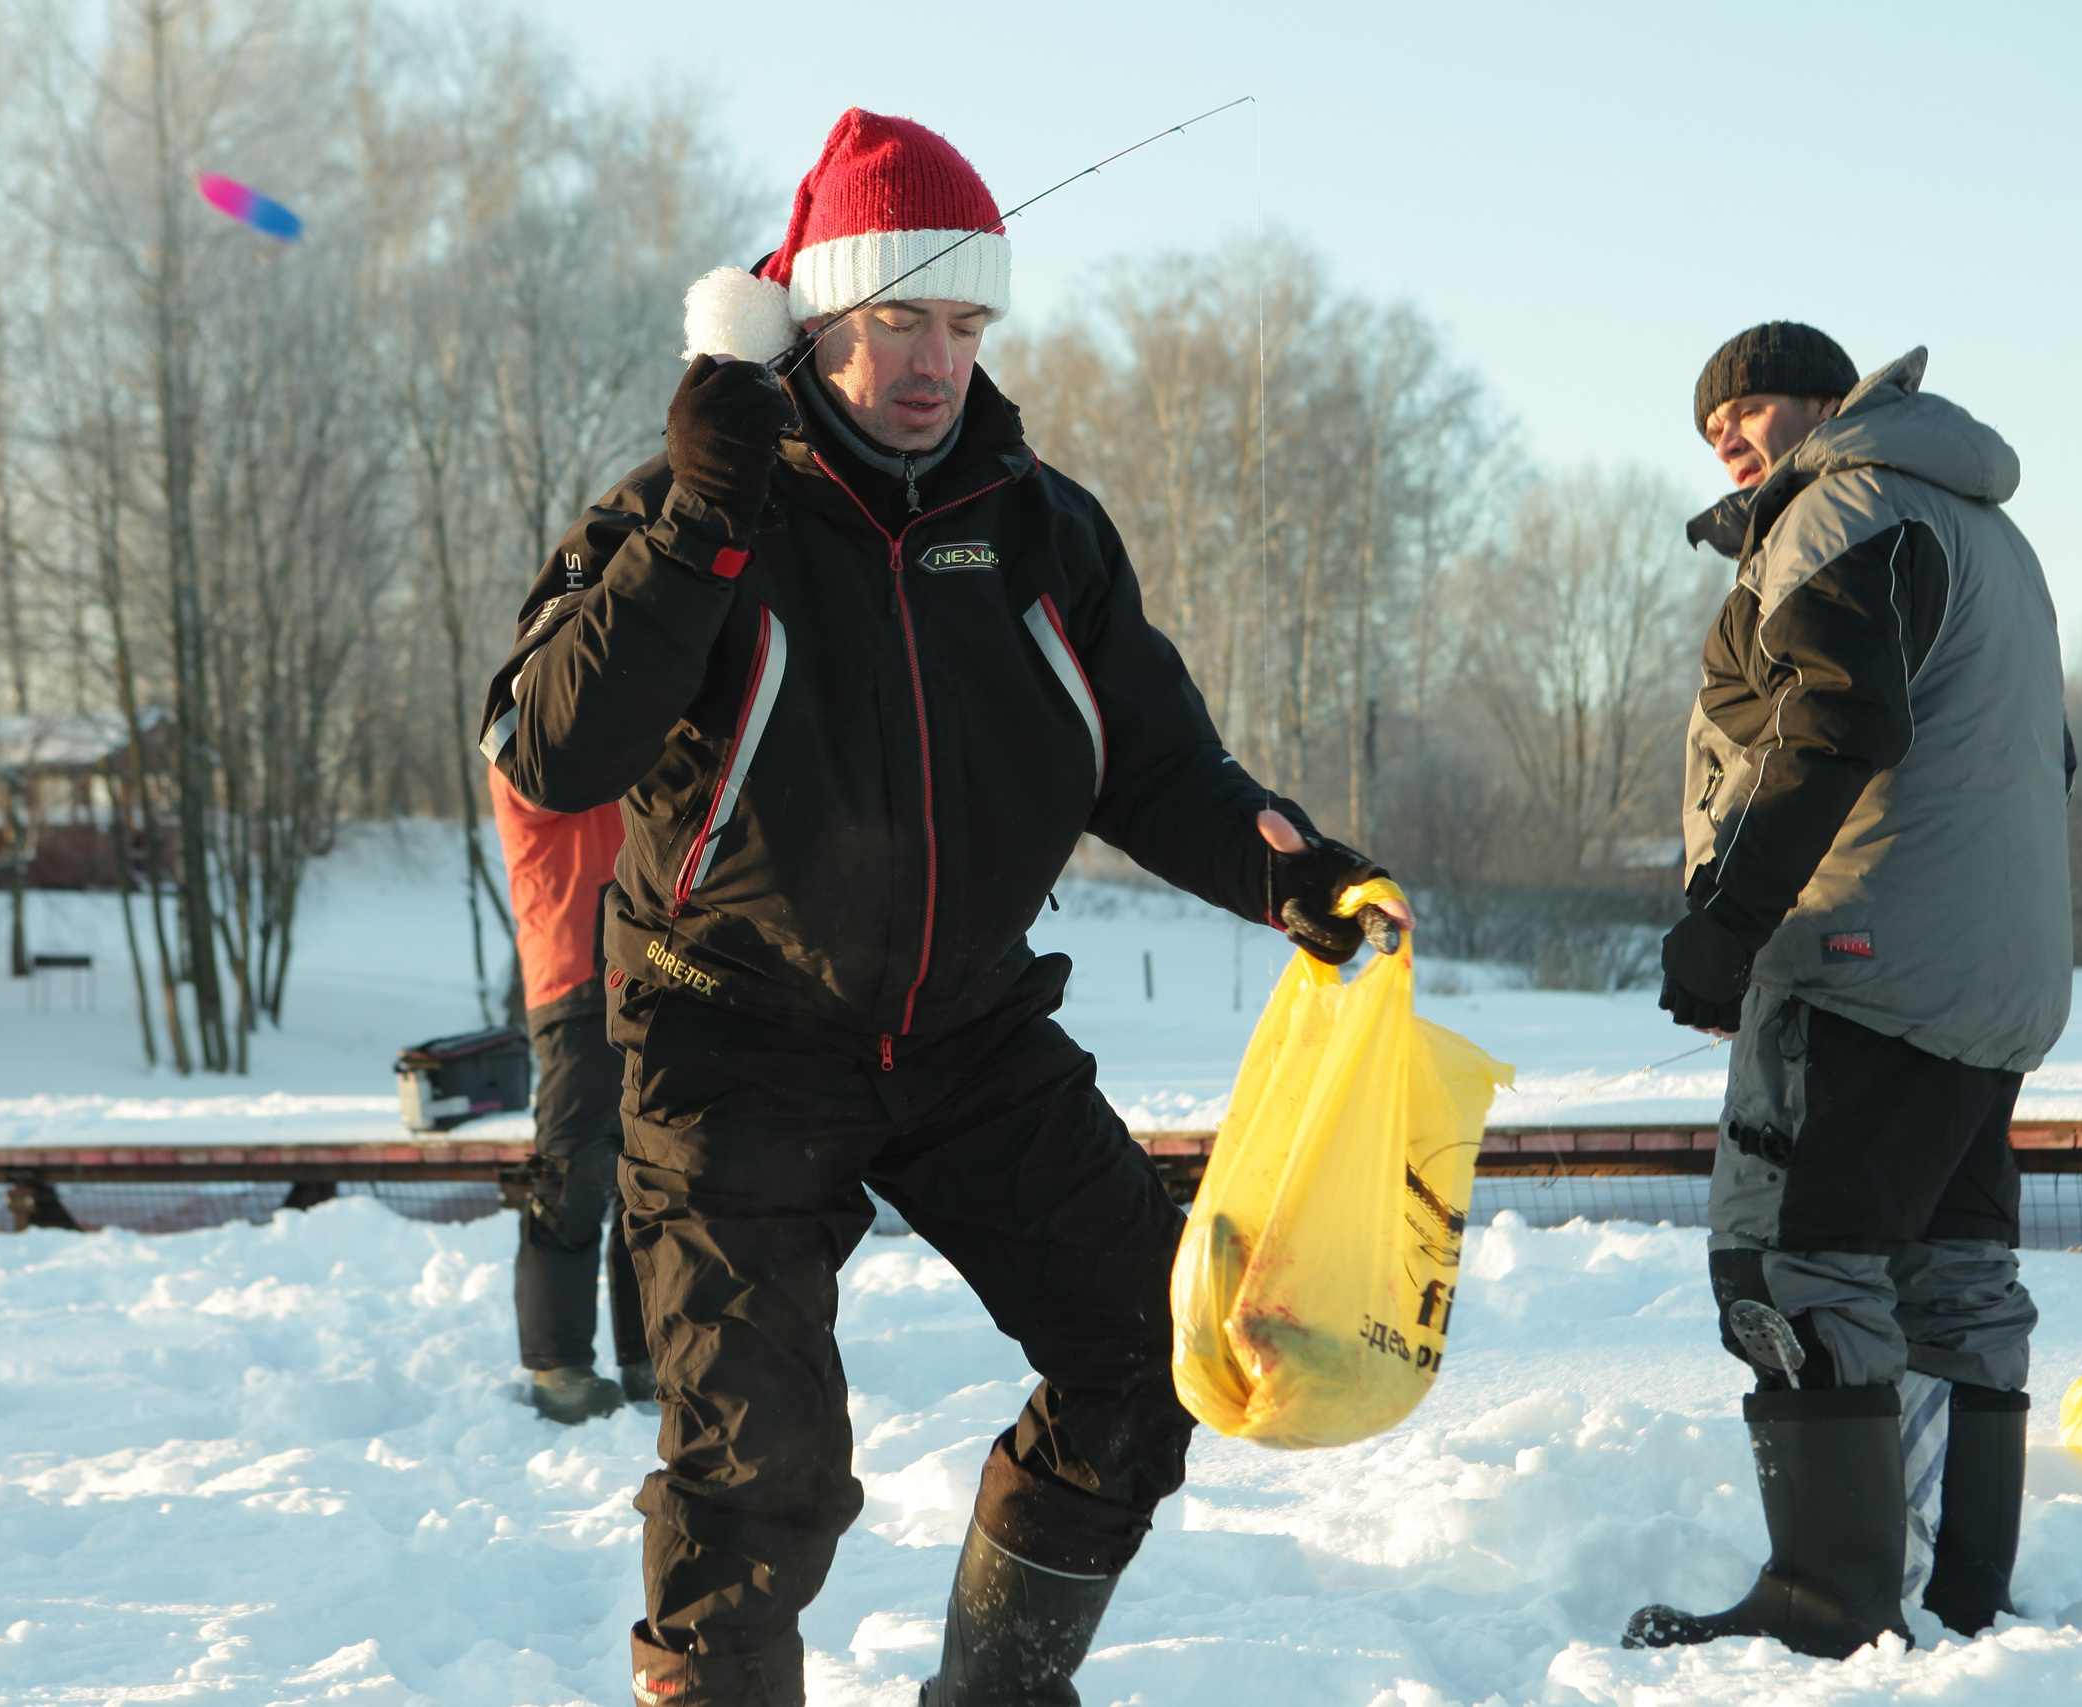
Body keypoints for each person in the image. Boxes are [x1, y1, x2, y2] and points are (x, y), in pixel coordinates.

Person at [480, 109, 1404, 1707]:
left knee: (1152, 1350)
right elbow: (551, 748)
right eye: (899, 317)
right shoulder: (690, 505)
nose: (933, 362)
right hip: (731, 1034)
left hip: (970, 1029)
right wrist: (703, 522)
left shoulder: (1043, 526)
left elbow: (1160, 762)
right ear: (811, 319)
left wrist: (1295, 871)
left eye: (964, 323)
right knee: (757, 1473)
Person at [1628, 323, 2072, 1657]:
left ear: (1828, 403)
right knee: (1951, 1273)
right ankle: (1954, 1593)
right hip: (1989, 973)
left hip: (1867, 958)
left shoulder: (1846, 504)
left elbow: (1827, 720)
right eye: (1714, 432)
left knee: (1794, 1259)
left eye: (1749, 409)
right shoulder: (1982, 526)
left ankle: (1828, 1605)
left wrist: (1729, 921)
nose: (1732, 441)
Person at [487, 776, 652, 1424]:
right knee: (572, 1174)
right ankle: (557, 1368)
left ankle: (653, 1356)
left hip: (651, 965)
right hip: (575, 975)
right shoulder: (535, 709)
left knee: (655, 1177)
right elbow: (544, 773)